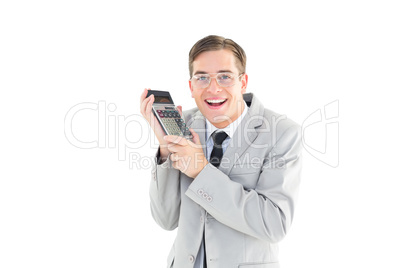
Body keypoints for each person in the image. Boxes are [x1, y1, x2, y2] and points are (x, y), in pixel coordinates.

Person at [140, 35, 302, 268]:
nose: (213, 88)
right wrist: (165, 148)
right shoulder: (183, 124)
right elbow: (166, 219)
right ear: (191, 86)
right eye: (202, 77)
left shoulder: (282, 133)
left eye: (225, 76)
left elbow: (274, 224)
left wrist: (201, 171)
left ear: (243, 82)